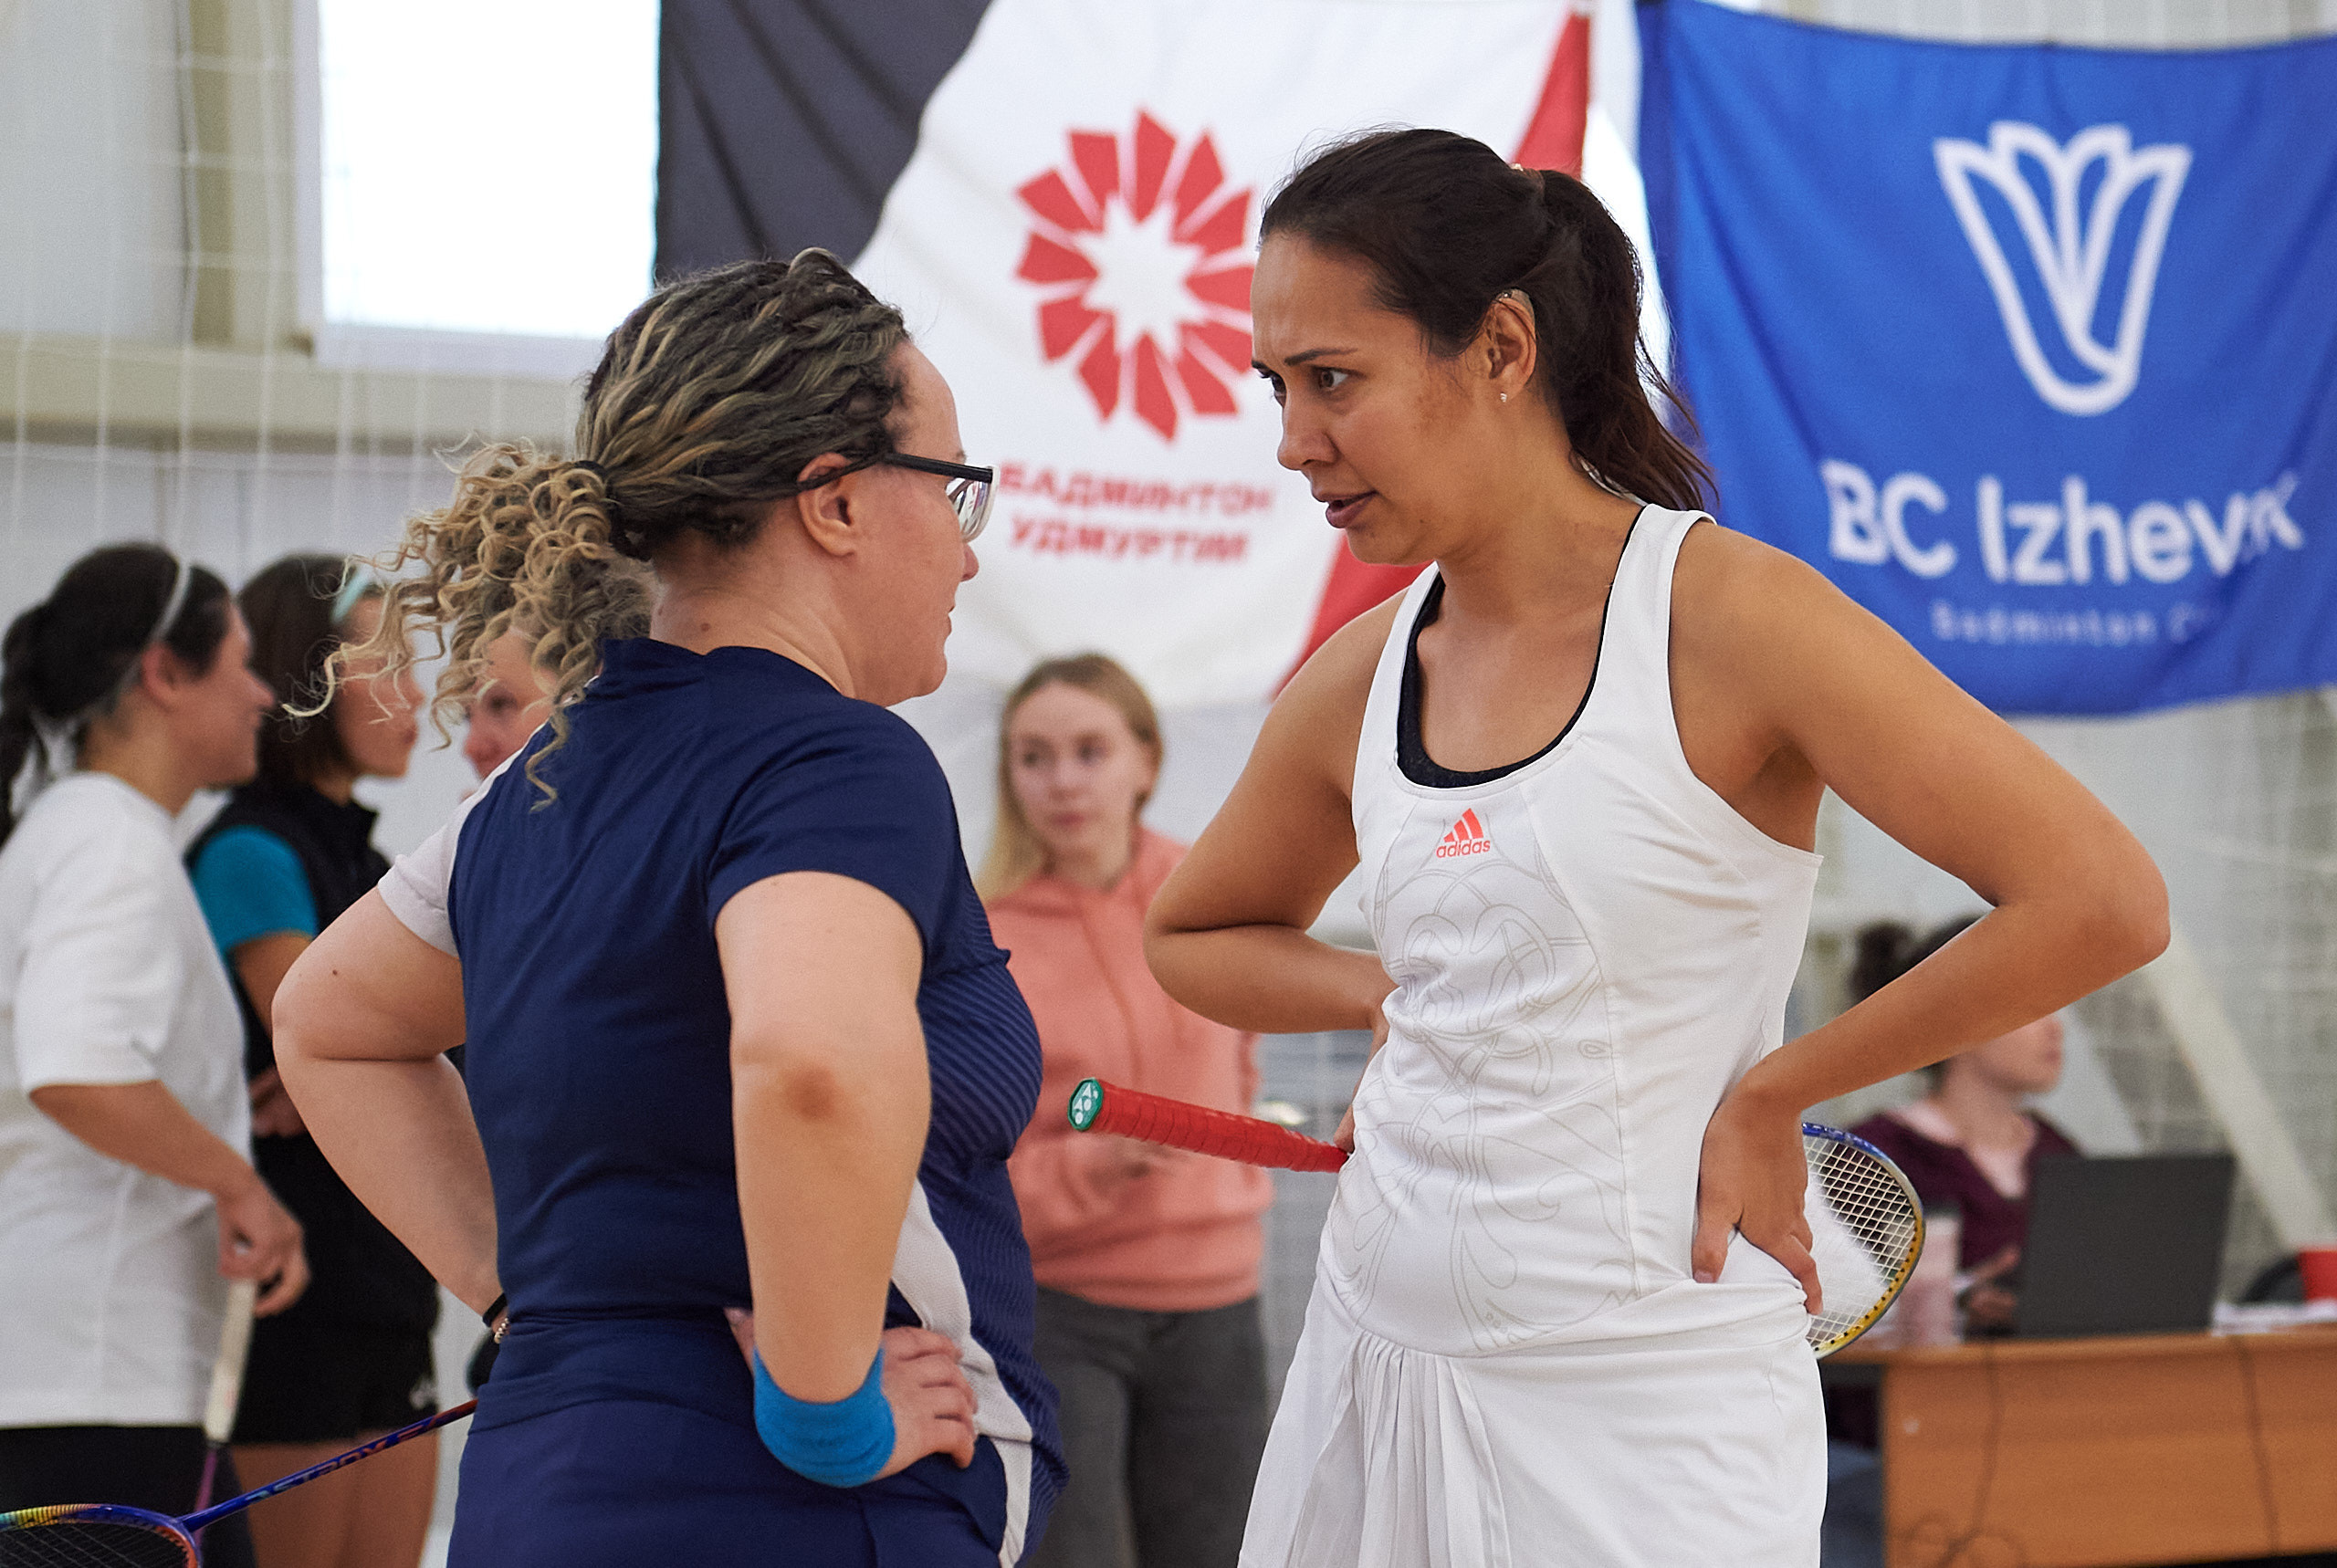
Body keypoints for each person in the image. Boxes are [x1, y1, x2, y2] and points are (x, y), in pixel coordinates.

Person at [1142, 129, 2168, 1566]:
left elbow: (2102, 898)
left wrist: (1783, 1091)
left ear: (1501, 346)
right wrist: (1387, 994)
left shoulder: (1731, 616)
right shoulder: (1361, 671)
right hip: (1375, 1360)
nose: (1293, 440)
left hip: (1652, 1402)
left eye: (1332, 380)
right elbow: (1194, 934)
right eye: (1277, 386)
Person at [267, 250, 1062, 1567]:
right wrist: (824, 1409)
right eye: (953, 490)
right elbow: (807, 1063)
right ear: (837, 503)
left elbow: (330, 1023)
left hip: (543, 1486)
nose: (967, 552)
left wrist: (520, 1294)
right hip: (786, 1506)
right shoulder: (835, 759)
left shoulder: (544, 771)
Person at [0, 544, 308, 1568]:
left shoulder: (77, 834)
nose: (264, 693)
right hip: (92, 1389)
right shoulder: (112, 847)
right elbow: (73, 1063)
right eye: (242, 662)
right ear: (165, 674)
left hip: (82, 1380)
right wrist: (240, 1185)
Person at [982, 654, 1272, 1568]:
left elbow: (1242, 1065)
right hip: (1062, 1310)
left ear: (1145, 760)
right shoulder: (983, 935)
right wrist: (1096, 1162)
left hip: (1219, 1302)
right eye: (1034, 756)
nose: (1061, 779)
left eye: (1088, 749)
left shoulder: (1212, 894)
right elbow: (966, 1160)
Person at [184, 554, 438, 1568]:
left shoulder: (374, 868)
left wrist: (384, 1053)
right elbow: (324, 1032)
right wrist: (382, 1052)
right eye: (390, 665)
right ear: (308, 676)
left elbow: (404, 1049)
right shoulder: (249, 850)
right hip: (297, 1303)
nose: (420, 695)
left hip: (393, 1284)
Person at [1845, 918, 2079, 1334]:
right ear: (1958, 1016)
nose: (2054, 1026)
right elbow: (1831, 1308)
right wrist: (1958, 1298)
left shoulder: (2058, 1149)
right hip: (1911, 1394)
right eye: (2032, 1006)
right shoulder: (1871, 1154)